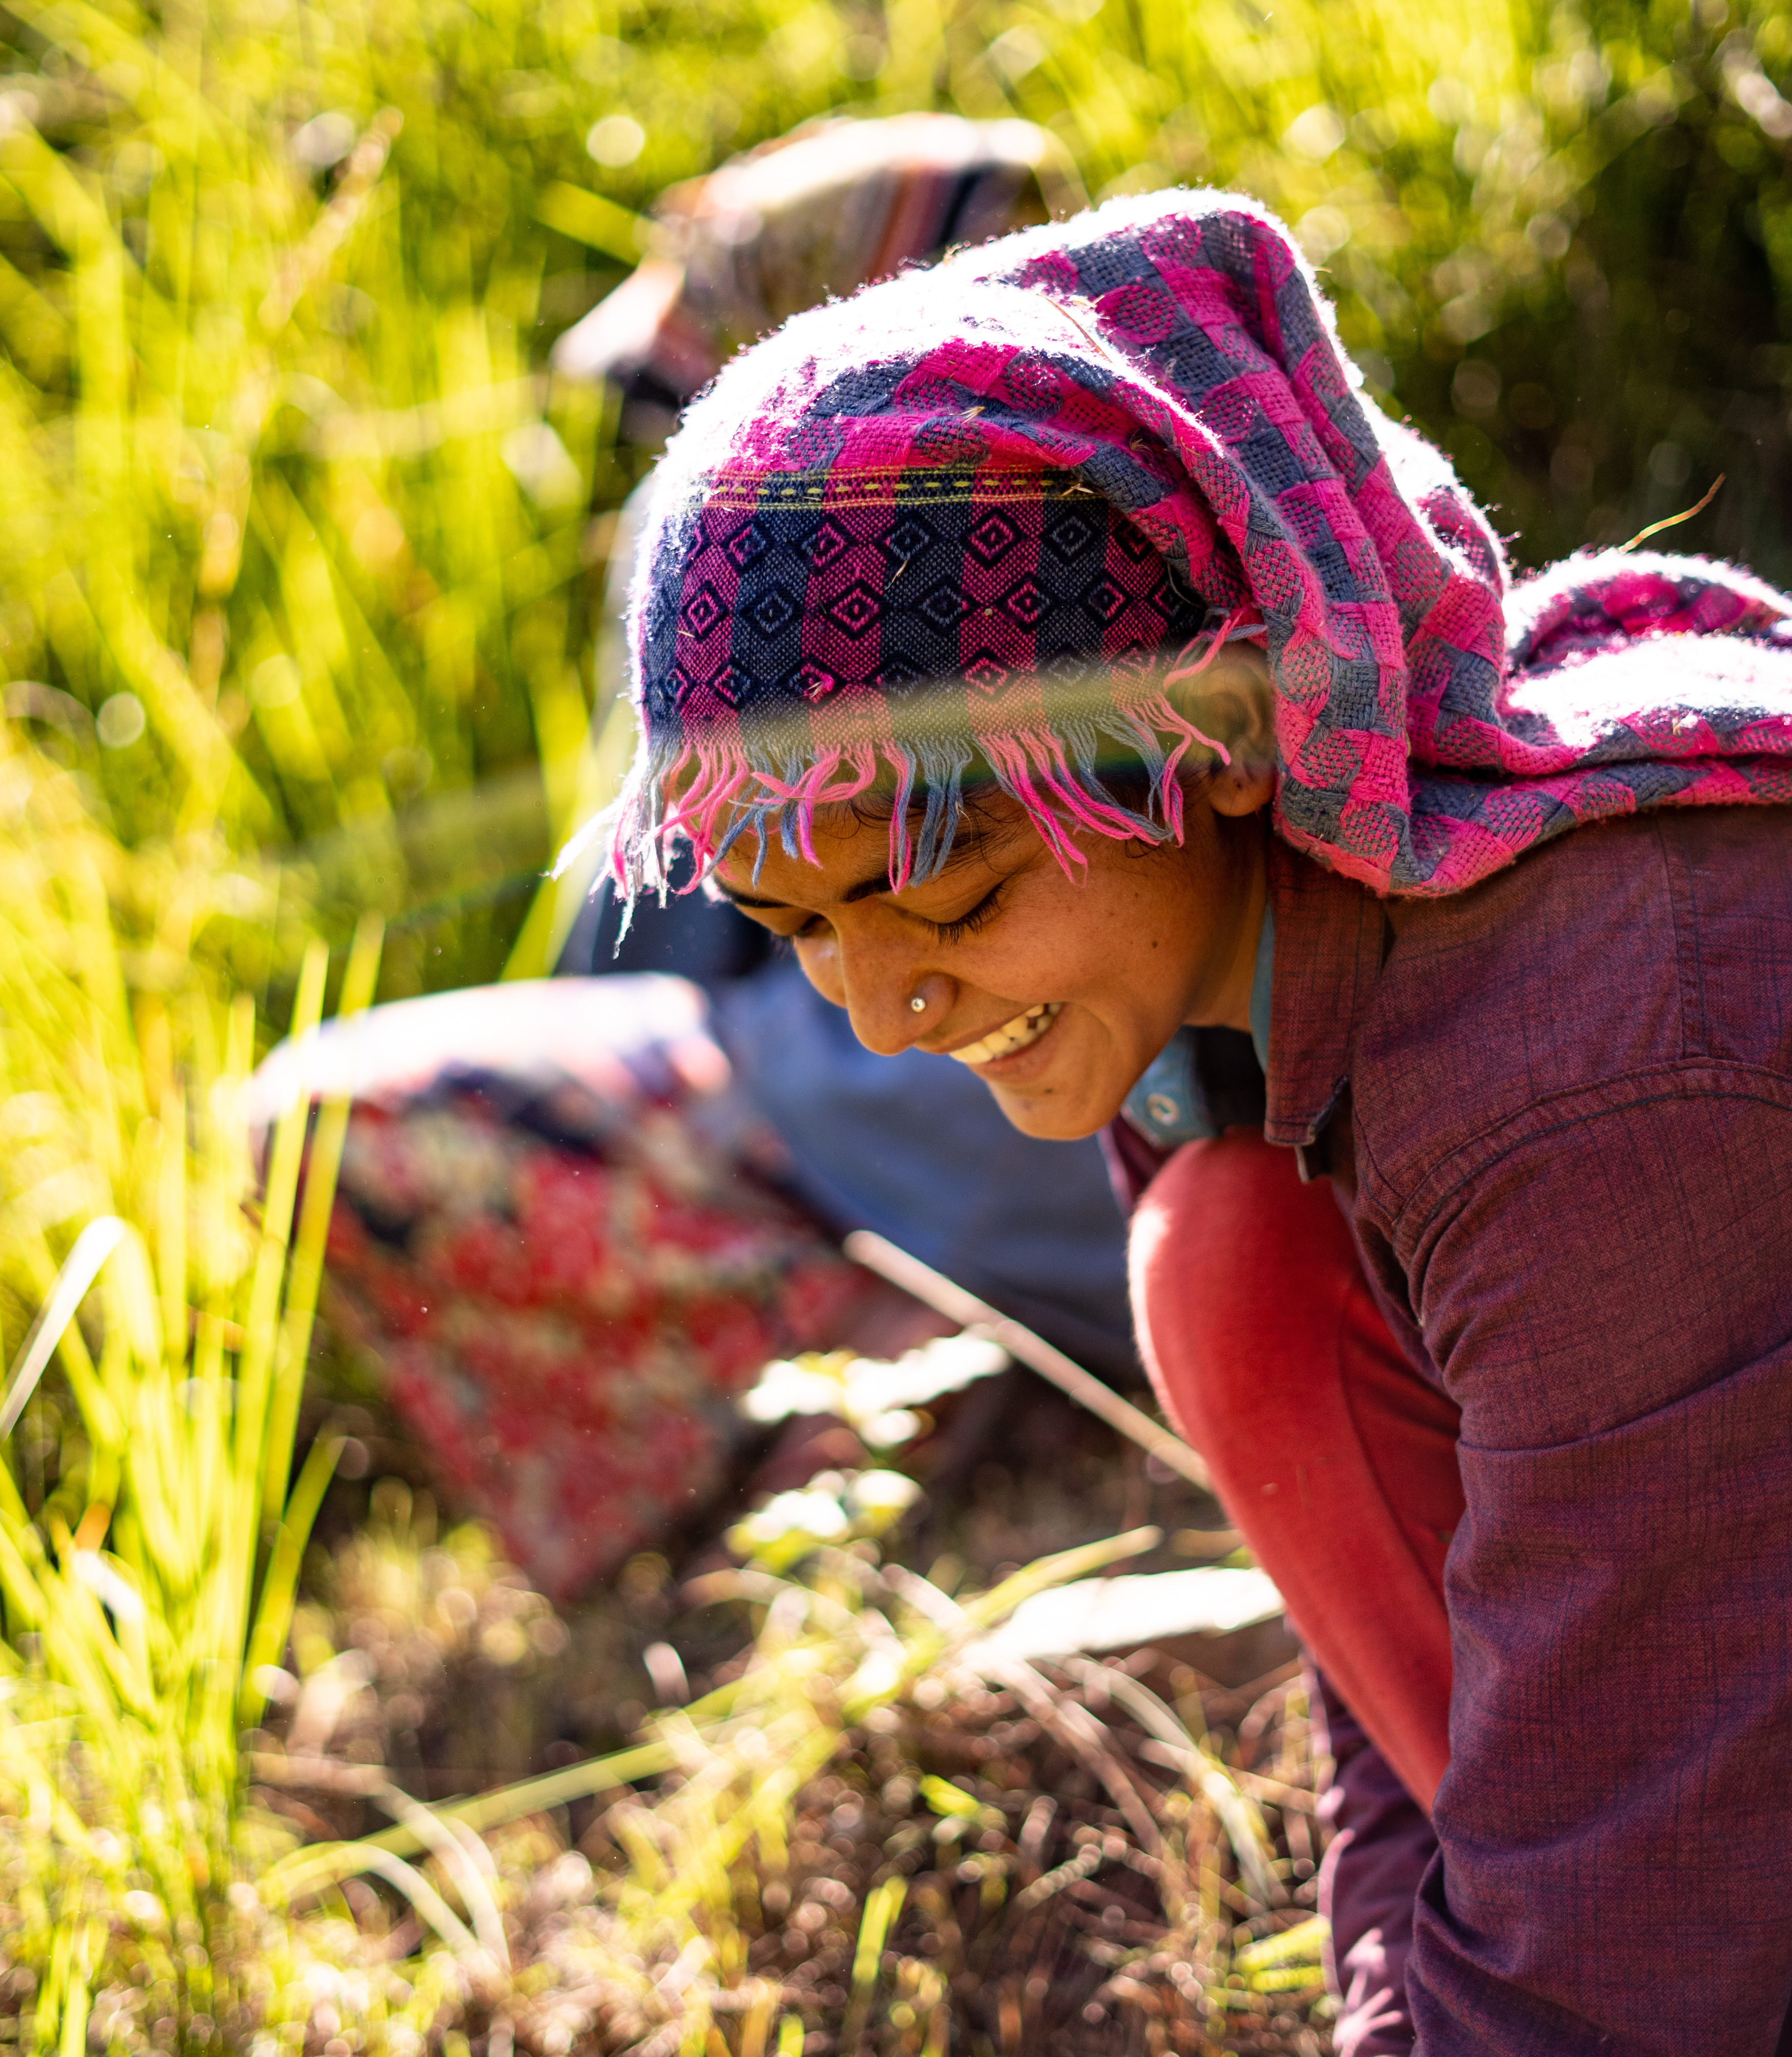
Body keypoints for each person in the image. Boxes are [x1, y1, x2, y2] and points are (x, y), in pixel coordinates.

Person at [588, 191, 1792, 2054]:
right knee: (1234, 1257)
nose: (886, 1012)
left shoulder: (1620, 1044)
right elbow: (1432, 1773)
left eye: (949, 901)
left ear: (1192, 742)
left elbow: (1596, 1947)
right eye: (803, 930)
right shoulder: (1224, 1001)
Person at [252, 115, 1133, 1602]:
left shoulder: (742, 515)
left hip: (914, 1134)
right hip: (1153, 1152)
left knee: (319, 1118)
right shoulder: (1142, 466)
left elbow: (650, 918)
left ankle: (825, 1396)